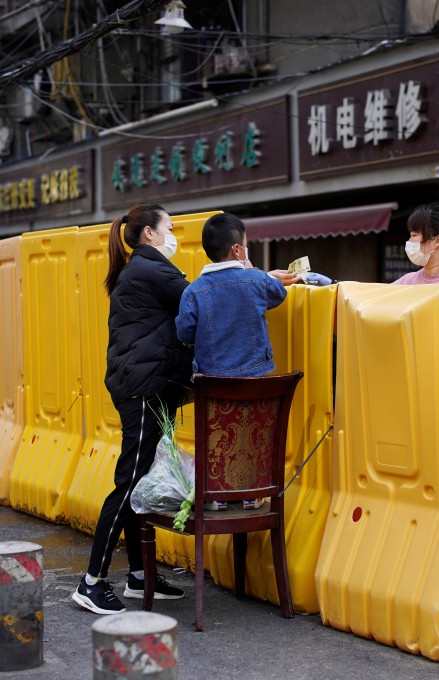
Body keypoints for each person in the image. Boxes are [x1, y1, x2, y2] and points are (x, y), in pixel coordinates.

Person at [73, 203, 191, 615]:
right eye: (169, 228)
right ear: (149, 235)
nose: (173, 235)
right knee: (129, 483)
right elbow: (196, 300)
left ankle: (142, 576)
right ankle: (91, 582)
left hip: (143, 385)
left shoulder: (139, 268)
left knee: (141, 479)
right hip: (143, 389)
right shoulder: (150, 267)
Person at [175, 213, 290, 378]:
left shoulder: (192, 292)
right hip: (255, 377)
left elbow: (185, 334)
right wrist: (251, 270)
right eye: (245, 244)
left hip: (213, 382)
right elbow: (278, 293)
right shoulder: (256, 280)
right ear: (237, 249)